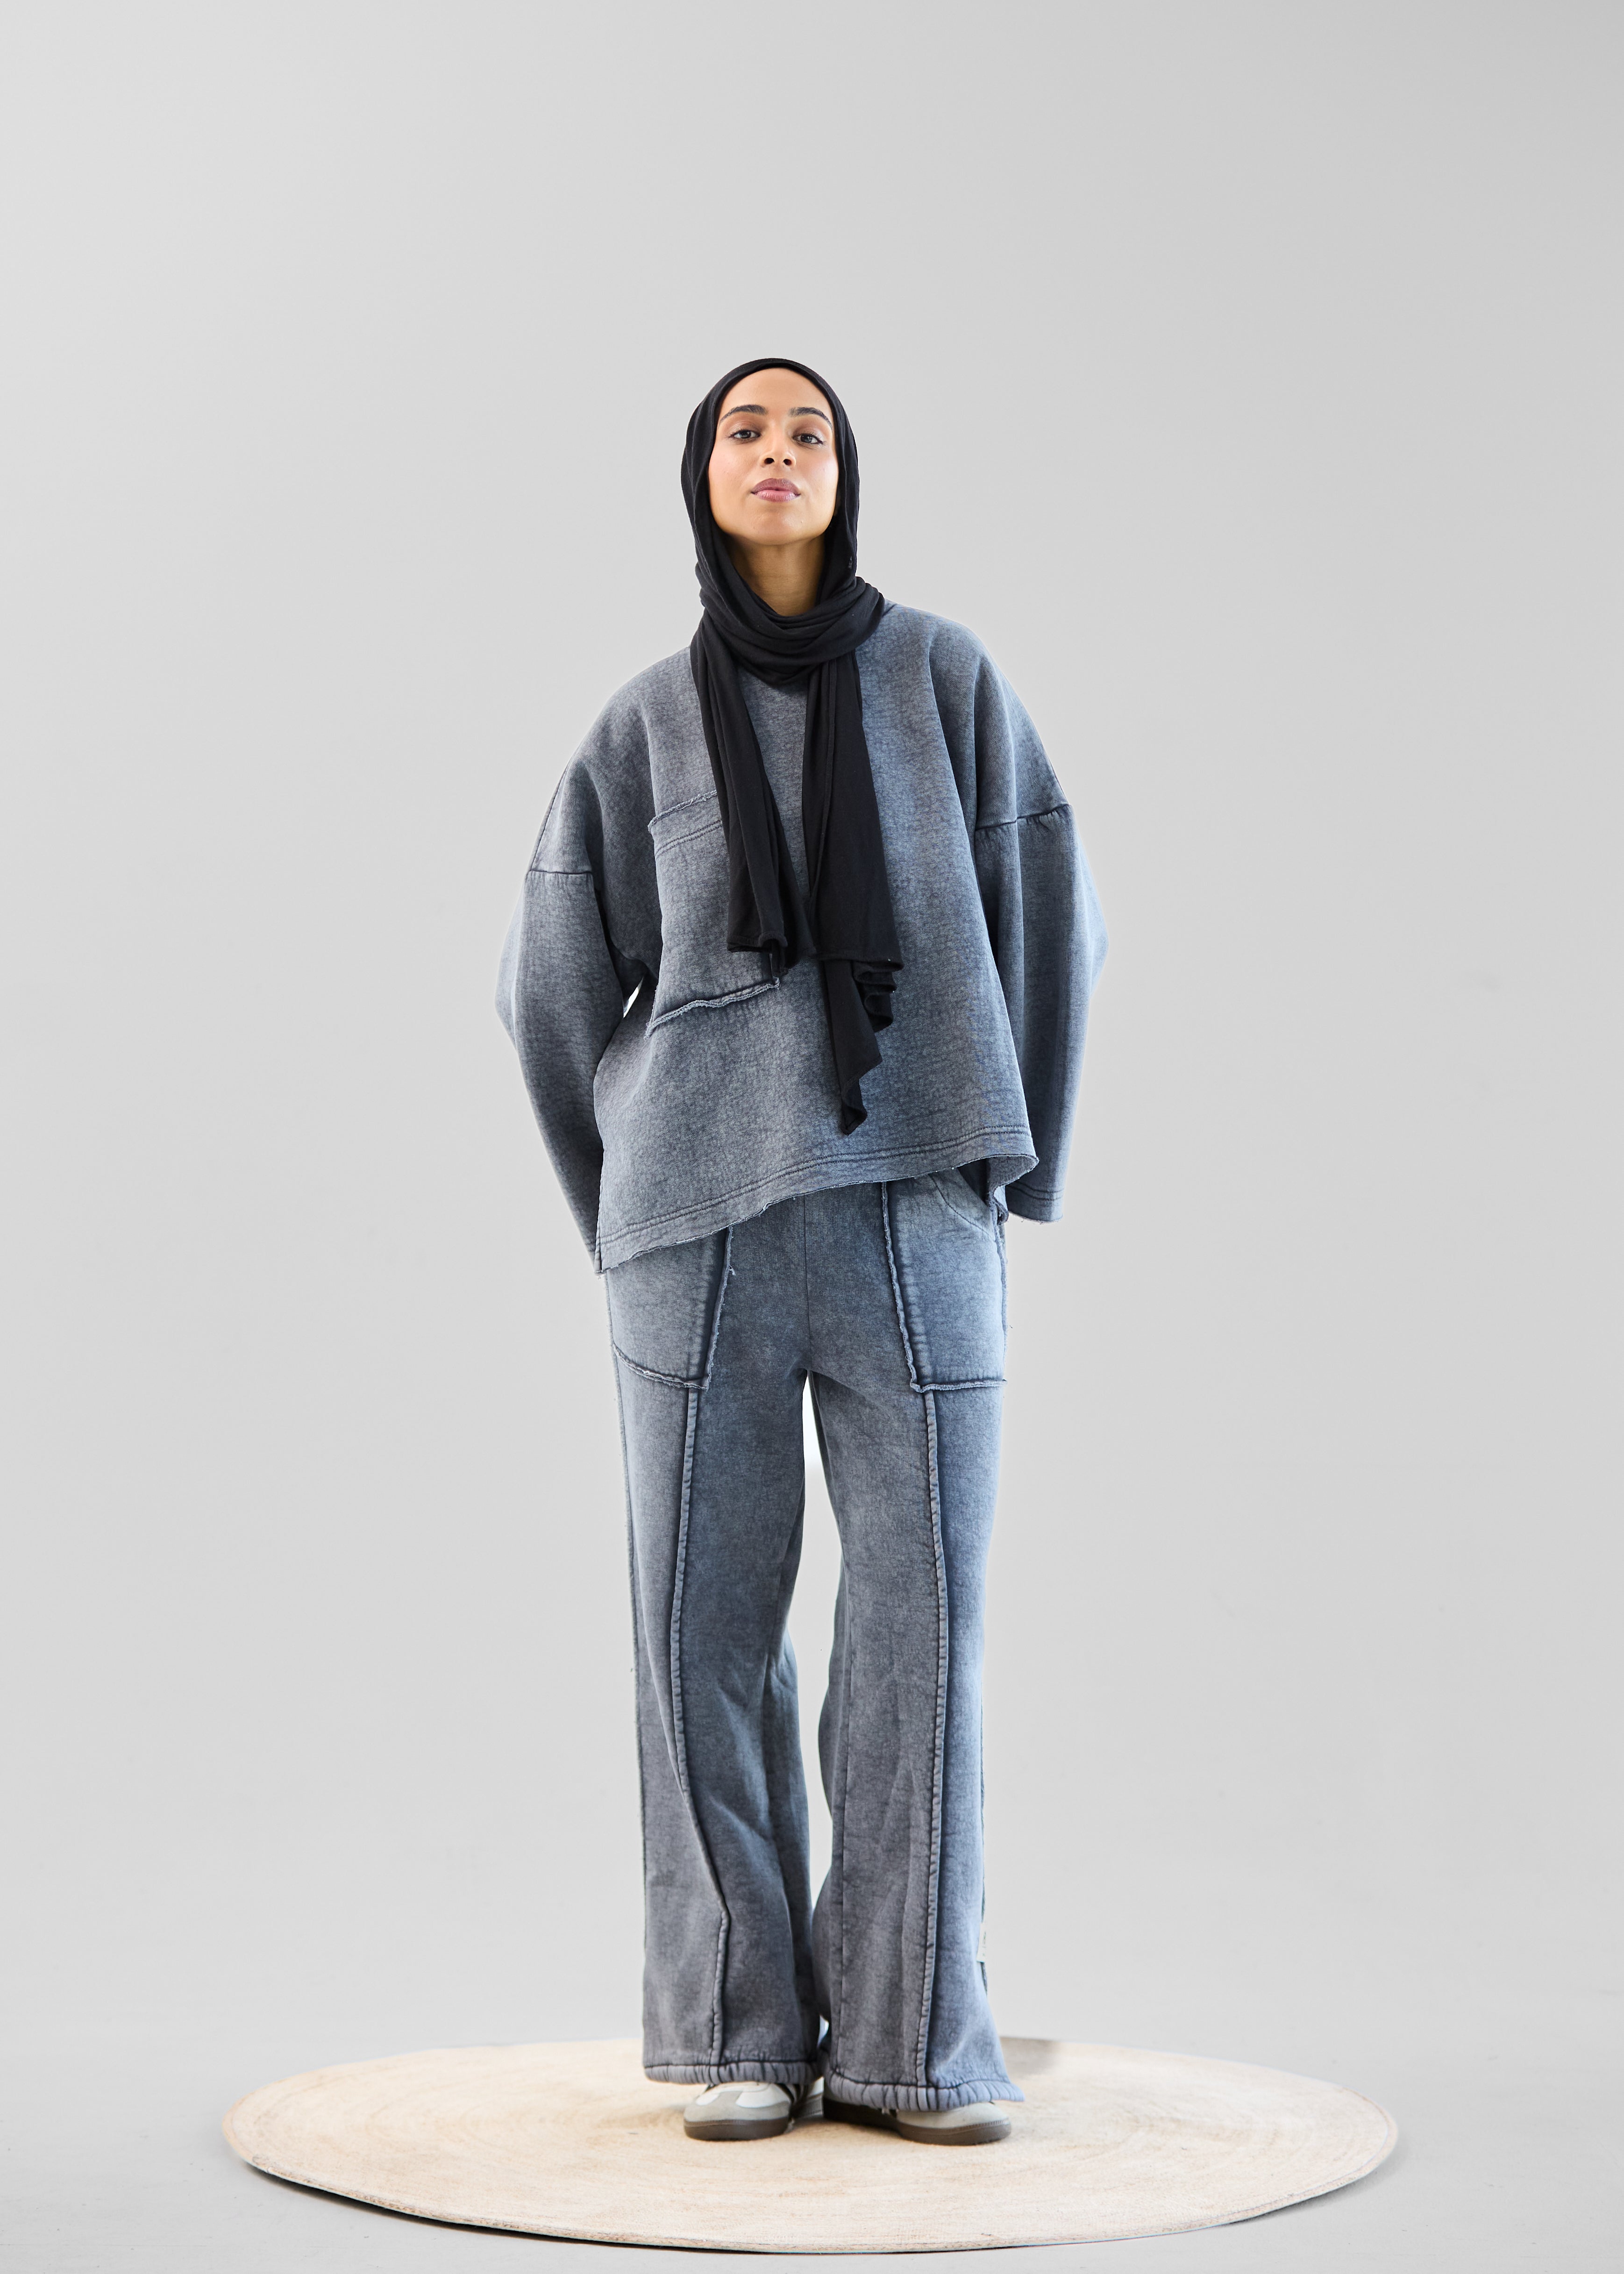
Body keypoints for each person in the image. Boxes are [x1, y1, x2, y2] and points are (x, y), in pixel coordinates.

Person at [497, 359, 1106, 2146]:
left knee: (922, 1633)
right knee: (701, 1634)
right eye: (745, 431)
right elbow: (550, 975)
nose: (777, 451)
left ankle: (916, 2040)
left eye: (808, 430)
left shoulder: (942, 681)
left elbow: (1048, 903)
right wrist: (623, 1195)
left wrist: (1005, 1156)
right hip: (694, 1235)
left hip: (917, 1209)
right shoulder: (641, 725)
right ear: (702, 473)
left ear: (846, 474)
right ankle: (735, 2032)